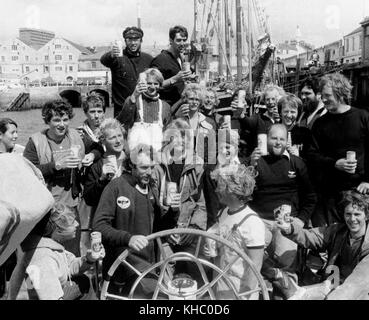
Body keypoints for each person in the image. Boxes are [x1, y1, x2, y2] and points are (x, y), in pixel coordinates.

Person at [249, 124, 317, 298]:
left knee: (287, 264)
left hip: (287, 221)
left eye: (281, 138)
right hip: (259, 220)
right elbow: (243, 192)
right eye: (274, 138)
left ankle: (288, 295)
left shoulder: (296, 162)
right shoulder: (256, 160)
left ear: (287, 140)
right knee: (252, 261)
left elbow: (311, 196)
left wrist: (300, 220)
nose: (278, 142)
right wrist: (250, 165)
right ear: (266, 139)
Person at [93, 144, 160, 297]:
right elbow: (99, 226)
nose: (149, 172)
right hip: (120, 267)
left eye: (151, 167)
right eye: (144, 168)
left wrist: (172, 212)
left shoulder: (152, 188)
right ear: (131, 166)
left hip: (148, 267)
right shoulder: (115, 187)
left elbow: (160, 227)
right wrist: (128, 239)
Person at [276, 190, 369, 300]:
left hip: (359, 292)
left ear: (366, 216)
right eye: (348, 214)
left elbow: (357, 284)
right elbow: (312, 237)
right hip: (332, 285)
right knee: (290, 293)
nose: (352, 219)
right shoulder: (337, 231)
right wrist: (289, 228)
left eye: (357, 214)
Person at [23, 100, 87, 256]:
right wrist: (56, 165)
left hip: (70, 206)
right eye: (57, 120)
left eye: (65, 120)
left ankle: (72, 280)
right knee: (49, 252)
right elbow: (27, 172)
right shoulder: (35, 142)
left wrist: (91, 155)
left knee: (72, 253)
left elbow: (98, 148)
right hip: (47, 209)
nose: (62, 124)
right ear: (47, 121)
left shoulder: (76, 136)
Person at [308, 73, 369, 225]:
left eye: (328, 95)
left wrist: (368, 180)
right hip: (329, 193)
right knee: (330, 238)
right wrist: (334, 163)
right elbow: (311, 154)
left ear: (340, 93)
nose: (323, 99)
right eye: (322, 95)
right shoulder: (320, 123)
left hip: (358, 191)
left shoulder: (362, 117)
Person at [8, 204, 105, 300]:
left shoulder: (51, 246)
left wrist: (89, 259)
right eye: (71, 222)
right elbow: (49, 296)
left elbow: (69, 266)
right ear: (57, 230)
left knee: (83, 280)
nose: (77, 224)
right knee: (83, 282)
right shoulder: (43, 258)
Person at [153, 119, 208, 284]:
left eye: (186, 138)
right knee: (166, 276)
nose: (181, 142)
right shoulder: (157, 165)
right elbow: (150, 201)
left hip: (188, 230)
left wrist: (193, 229)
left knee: (195, 274)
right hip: (164, 230)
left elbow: (201, 203)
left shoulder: (196, 165)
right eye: (177, 137)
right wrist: (166, 212)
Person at [206, 164, 265, 300]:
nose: (216, 190)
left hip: (239, 291)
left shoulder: (252, 222)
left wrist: (245, 295)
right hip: (220, 284)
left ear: (232, 190)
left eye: (220, 186)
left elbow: (255, 265)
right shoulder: (224, 212)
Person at [100, 26, 153, 117]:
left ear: (141, 41)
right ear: (125, 41)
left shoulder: (148, 59)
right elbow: (104, 60)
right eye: (129, 40)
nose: (133, 43)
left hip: (144, 108)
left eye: (136, 39)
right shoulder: (118, 57)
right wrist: (111, 54)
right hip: (122, 109)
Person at [116, 68, 172, 151]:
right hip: (135, 155)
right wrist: (134, 96)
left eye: (156, 84)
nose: (152, 87)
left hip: (156, 156)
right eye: (149, 83)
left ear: (160, 85)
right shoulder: (134, 101)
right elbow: (121, 122)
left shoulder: (165, 106)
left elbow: (168, 132)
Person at [83, 118, 127, 216]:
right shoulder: (97, 166)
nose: (118, 141)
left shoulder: (132, 161)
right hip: (106, 217)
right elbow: (89, 199)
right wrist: (102, 180)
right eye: (112, 138)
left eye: (120, 136)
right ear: (103, 141)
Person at [235, 85, 286, 157]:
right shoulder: (259, 118)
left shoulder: (285, 118)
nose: (270, 102)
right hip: (263, 160)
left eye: (273, 99)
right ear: (264, 101)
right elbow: (247, 122)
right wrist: (240, 112)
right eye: (267, 99)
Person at [175, 83, 217, 165]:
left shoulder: (209, 122)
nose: (194, 102)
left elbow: (212, 150)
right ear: (185, 100)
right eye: (191, 99)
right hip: (182, 165)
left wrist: (208, 169)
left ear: (201, 101)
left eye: (197, 99)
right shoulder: (179, 119)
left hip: (202, 167)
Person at [151, 25, 193, 106]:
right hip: (167, 106)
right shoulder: (160, 60)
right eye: (178, 40)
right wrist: (176, 78)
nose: (182, 43)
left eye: (184, 40)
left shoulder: (181, 57)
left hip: (180, 104)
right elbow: (153, 86)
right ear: (171, 41)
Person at [278, 94, 312, 160]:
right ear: (280, 112)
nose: (289, 115)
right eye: (286, 111)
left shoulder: (305, 134)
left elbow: (311, 158)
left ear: (298, 113)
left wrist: (299, 155)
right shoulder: (272, 131)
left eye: (293, 112)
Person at [77, 94, 106, 165]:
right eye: (92, 112)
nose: (96, 116)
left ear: (103, 113)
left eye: (99, 111)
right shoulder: (79, 133)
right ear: (85, 113)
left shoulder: (111, 130)